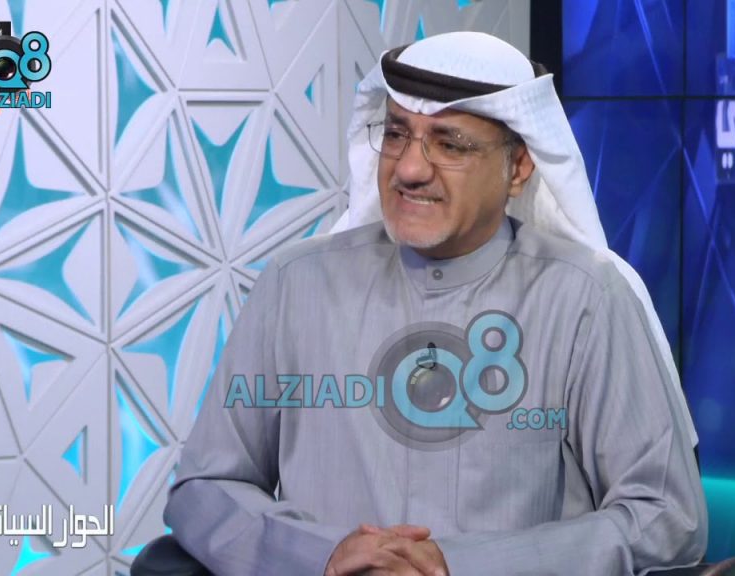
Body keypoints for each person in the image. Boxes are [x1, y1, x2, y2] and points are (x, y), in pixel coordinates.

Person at [164, 31, 707, 575]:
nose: (409, 169)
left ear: (519, 167)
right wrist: (321, 555)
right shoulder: (295, 285)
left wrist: (462, 567)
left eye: (450, 144)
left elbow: (665, 516)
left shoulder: (585, 298)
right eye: (396, 134)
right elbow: (206, 487)